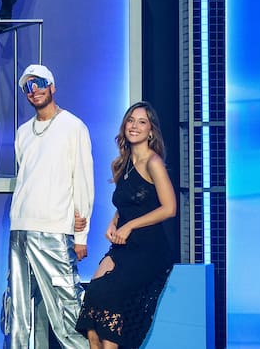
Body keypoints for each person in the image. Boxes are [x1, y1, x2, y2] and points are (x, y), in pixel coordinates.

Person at [3, 64, 94, 349]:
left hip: (54, 229)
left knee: (68, 306)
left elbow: (83, 180)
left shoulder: (73, 126)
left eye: (39, 83)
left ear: (52, 86)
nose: (34, 90)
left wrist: (81, 236)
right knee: (19, 308)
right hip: (20, 228)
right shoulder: (23, 132)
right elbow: (26, 176)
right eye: (28, 87)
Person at [76, 102, 176, 349]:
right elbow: (127, 202)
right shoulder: (122, 164)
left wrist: (129, 226)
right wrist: (114, 221)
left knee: (111, 306)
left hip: (149, 250)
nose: (134, 126)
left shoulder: (153, 162)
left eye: (142, 122)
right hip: (124, 248)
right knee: (93, 299)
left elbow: (169, 208)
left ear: (151, 130)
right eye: (131, 120)